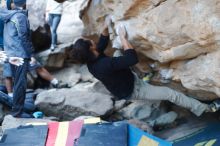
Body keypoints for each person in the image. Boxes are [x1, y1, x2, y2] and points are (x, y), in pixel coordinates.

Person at [70, 17, 220, 118]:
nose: (91, 40)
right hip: (134, 89)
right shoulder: (103, 65)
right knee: (170, 94)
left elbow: (102, 43)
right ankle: (206, 108)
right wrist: (122, 38)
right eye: (89, 41)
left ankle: (145, 74)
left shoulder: (92, 59)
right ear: (91, 48)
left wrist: (106, 25)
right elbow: (132, 58)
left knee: (116, 51)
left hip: (124, 78)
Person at [0, 0, 33, 118]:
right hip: (20, 54)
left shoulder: (6, 16)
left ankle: (16, 108)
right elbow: (24, 36)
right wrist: (30, 53)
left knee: (16, 82)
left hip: (11, 54)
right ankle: (17, 113)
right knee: (20, 83)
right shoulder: (19, 16)